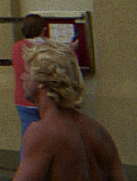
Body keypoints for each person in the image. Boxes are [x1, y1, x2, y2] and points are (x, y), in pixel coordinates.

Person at [13, 41, 125, 181]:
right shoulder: (98, 130)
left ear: (42, 81)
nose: (22, 77)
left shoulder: (42, 132)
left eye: (27, 72)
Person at [12, 13, 48, 142]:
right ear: (43, 30)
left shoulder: (16, 47)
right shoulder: (47, 47)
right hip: (43, 99)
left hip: (22, 99)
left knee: (28, 138)